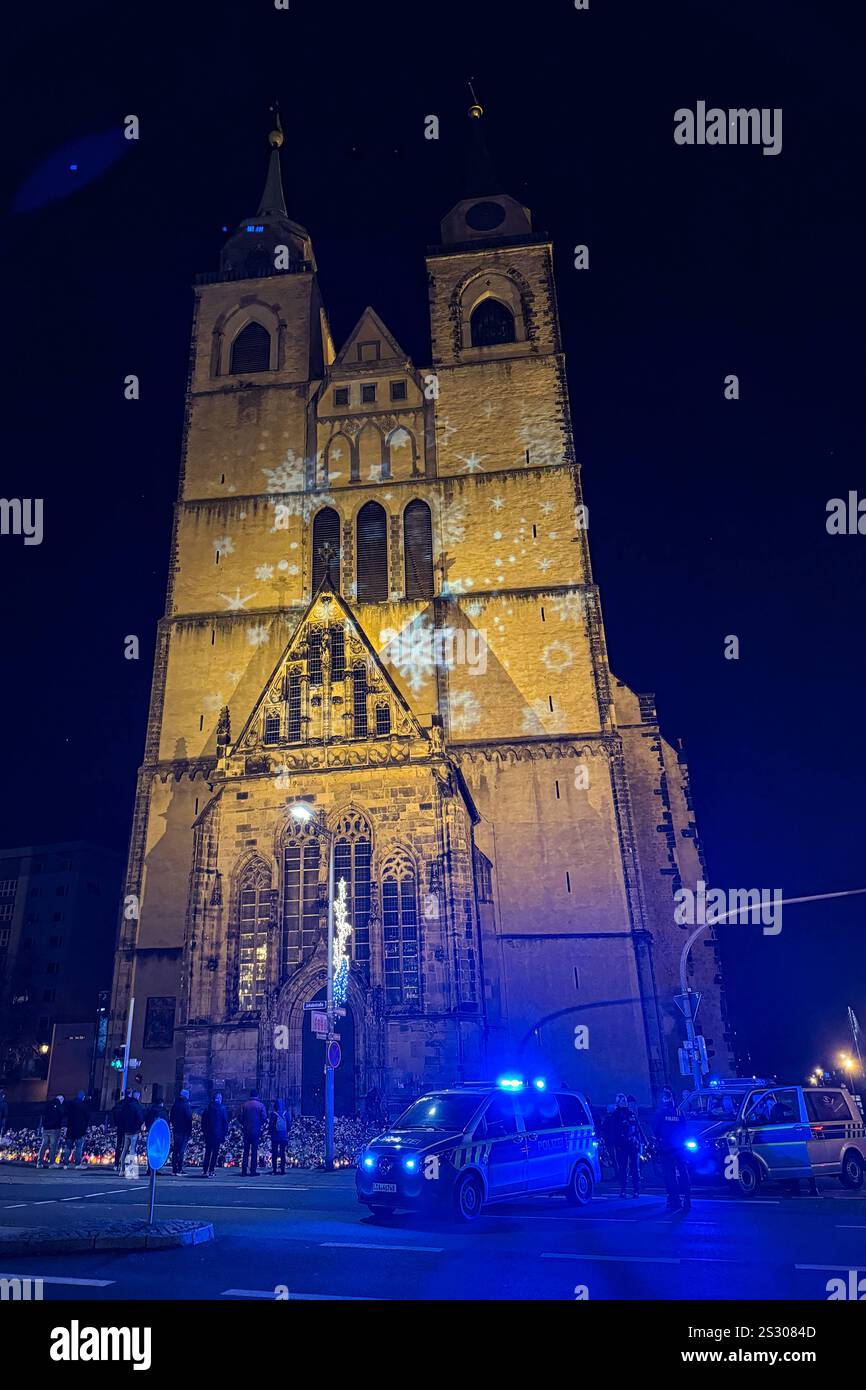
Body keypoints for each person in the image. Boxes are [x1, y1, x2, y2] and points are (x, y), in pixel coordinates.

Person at [653, 1085, 692, 1212]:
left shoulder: (660, 1113)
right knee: (683, 1172)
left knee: (669, 1175)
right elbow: (685, 1129)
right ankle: (687, 1198)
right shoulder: (679, 1112)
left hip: (666, 1149)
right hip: (679, 1148)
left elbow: (655, 1131)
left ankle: (674, 1199)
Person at [602, 1091, 642, 1197]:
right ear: (618, 1102)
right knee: (623, 1168)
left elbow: (637, 1128)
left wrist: (640, 1141)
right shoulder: (615, 1115)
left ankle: (636, 1190)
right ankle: (623, 1189)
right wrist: (616, 1142)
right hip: (621, 1145)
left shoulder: (631, 1113)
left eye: (625, 1100)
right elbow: (612, 1131)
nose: (625, 1102)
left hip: (633, 1145)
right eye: (622, 1100)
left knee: (635, 1168)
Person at [115, 1090, 145, 1173]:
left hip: (126, 1130)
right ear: (137, 1096)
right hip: (134, 1130)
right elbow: (140, 1118)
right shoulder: (136, 1106)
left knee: (124, 1149)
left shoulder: (125, 1105)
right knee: (132, 1150)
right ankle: (131, 1170)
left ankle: (122, 1169)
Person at [239, 1089, 267, 1176]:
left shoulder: (244, 1105)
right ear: (257, 1095)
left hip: (246, 1130)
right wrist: (259, 1124)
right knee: (254, 1151)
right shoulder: (261, 1105)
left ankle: (244, 1170)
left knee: (246, 1151)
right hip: (256, 1130)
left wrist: (244, 1124)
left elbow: (239, 1117)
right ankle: (253, 1170)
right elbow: (264, 1118)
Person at [201, 1091, 229, 1176]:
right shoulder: (222, 1108)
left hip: (208, 1134)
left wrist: (204, 1132)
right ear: (220, 1099)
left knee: (208, 1152)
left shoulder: (208, 1108)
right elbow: (225, 1122)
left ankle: (205, 1170)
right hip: (218, 1134)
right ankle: (211, 1170)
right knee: (215, 1153)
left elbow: (203, 1122)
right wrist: (224, 1134)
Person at [61, 1091, 90, 1168]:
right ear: (83, 1097)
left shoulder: (70, 1105)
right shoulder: (83, 1106)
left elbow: (66, 1114)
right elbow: (87, 1117)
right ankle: (77, 1164)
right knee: (78, 1148)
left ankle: (65, 1164)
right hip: (79, 1130)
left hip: (70, 1129)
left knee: (68, 1147)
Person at [169, 1089, 193, 1175]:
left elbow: (171, 1117)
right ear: (186, 1095)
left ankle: (174, 1169)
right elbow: (189, 1118)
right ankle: (179, 1168)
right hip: (184, 1131)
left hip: (176, 1130)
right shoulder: (186, 1105)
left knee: (175, 1150)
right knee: (181, 1150)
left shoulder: (175, 1104)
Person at [39, 1094, 66, 1169]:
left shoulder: (48, 1104)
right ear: (61, 1100)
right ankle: (51, 1163)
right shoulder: (59, 1106)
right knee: (53, 1146)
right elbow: (62, 1115)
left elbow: (43, 1114)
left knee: (44, 1145)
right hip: (55, 1129)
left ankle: (39, 1163)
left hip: (46, 1128)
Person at [269, 1098, 289, 1174]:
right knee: (282, 1152)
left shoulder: (273, 1114)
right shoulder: (286, 1114)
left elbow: (270, 1125)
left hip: (275, 1136)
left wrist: (271, 1132)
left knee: (274, 1153)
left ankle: (274, 1169)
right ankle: (283, 1170)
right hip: (283, 1136)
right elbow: (289, 1125)